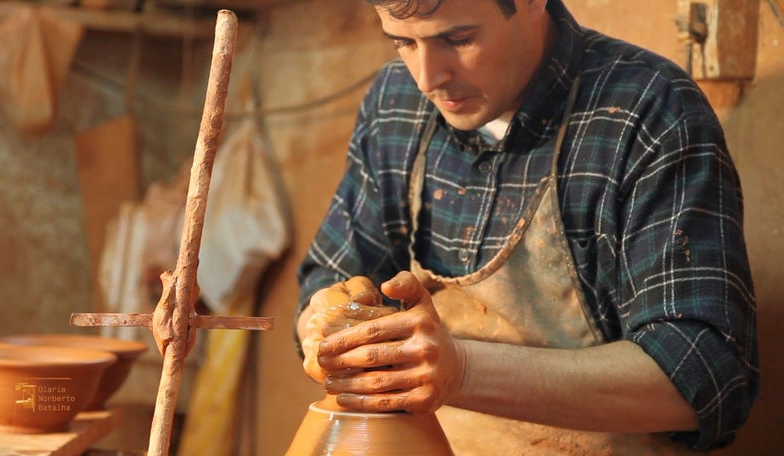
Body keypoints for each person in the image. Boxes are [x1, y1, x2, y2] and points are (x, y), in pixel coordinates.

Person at [294, 0, 759, 454]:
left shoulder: (647, 108)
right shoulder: (395, 102)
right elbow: (331, 276)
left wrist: (465, 371)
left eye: (458, 39)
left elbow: (704, 374)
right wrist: (327, 324)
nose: (428, 78)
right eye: (403, 43)